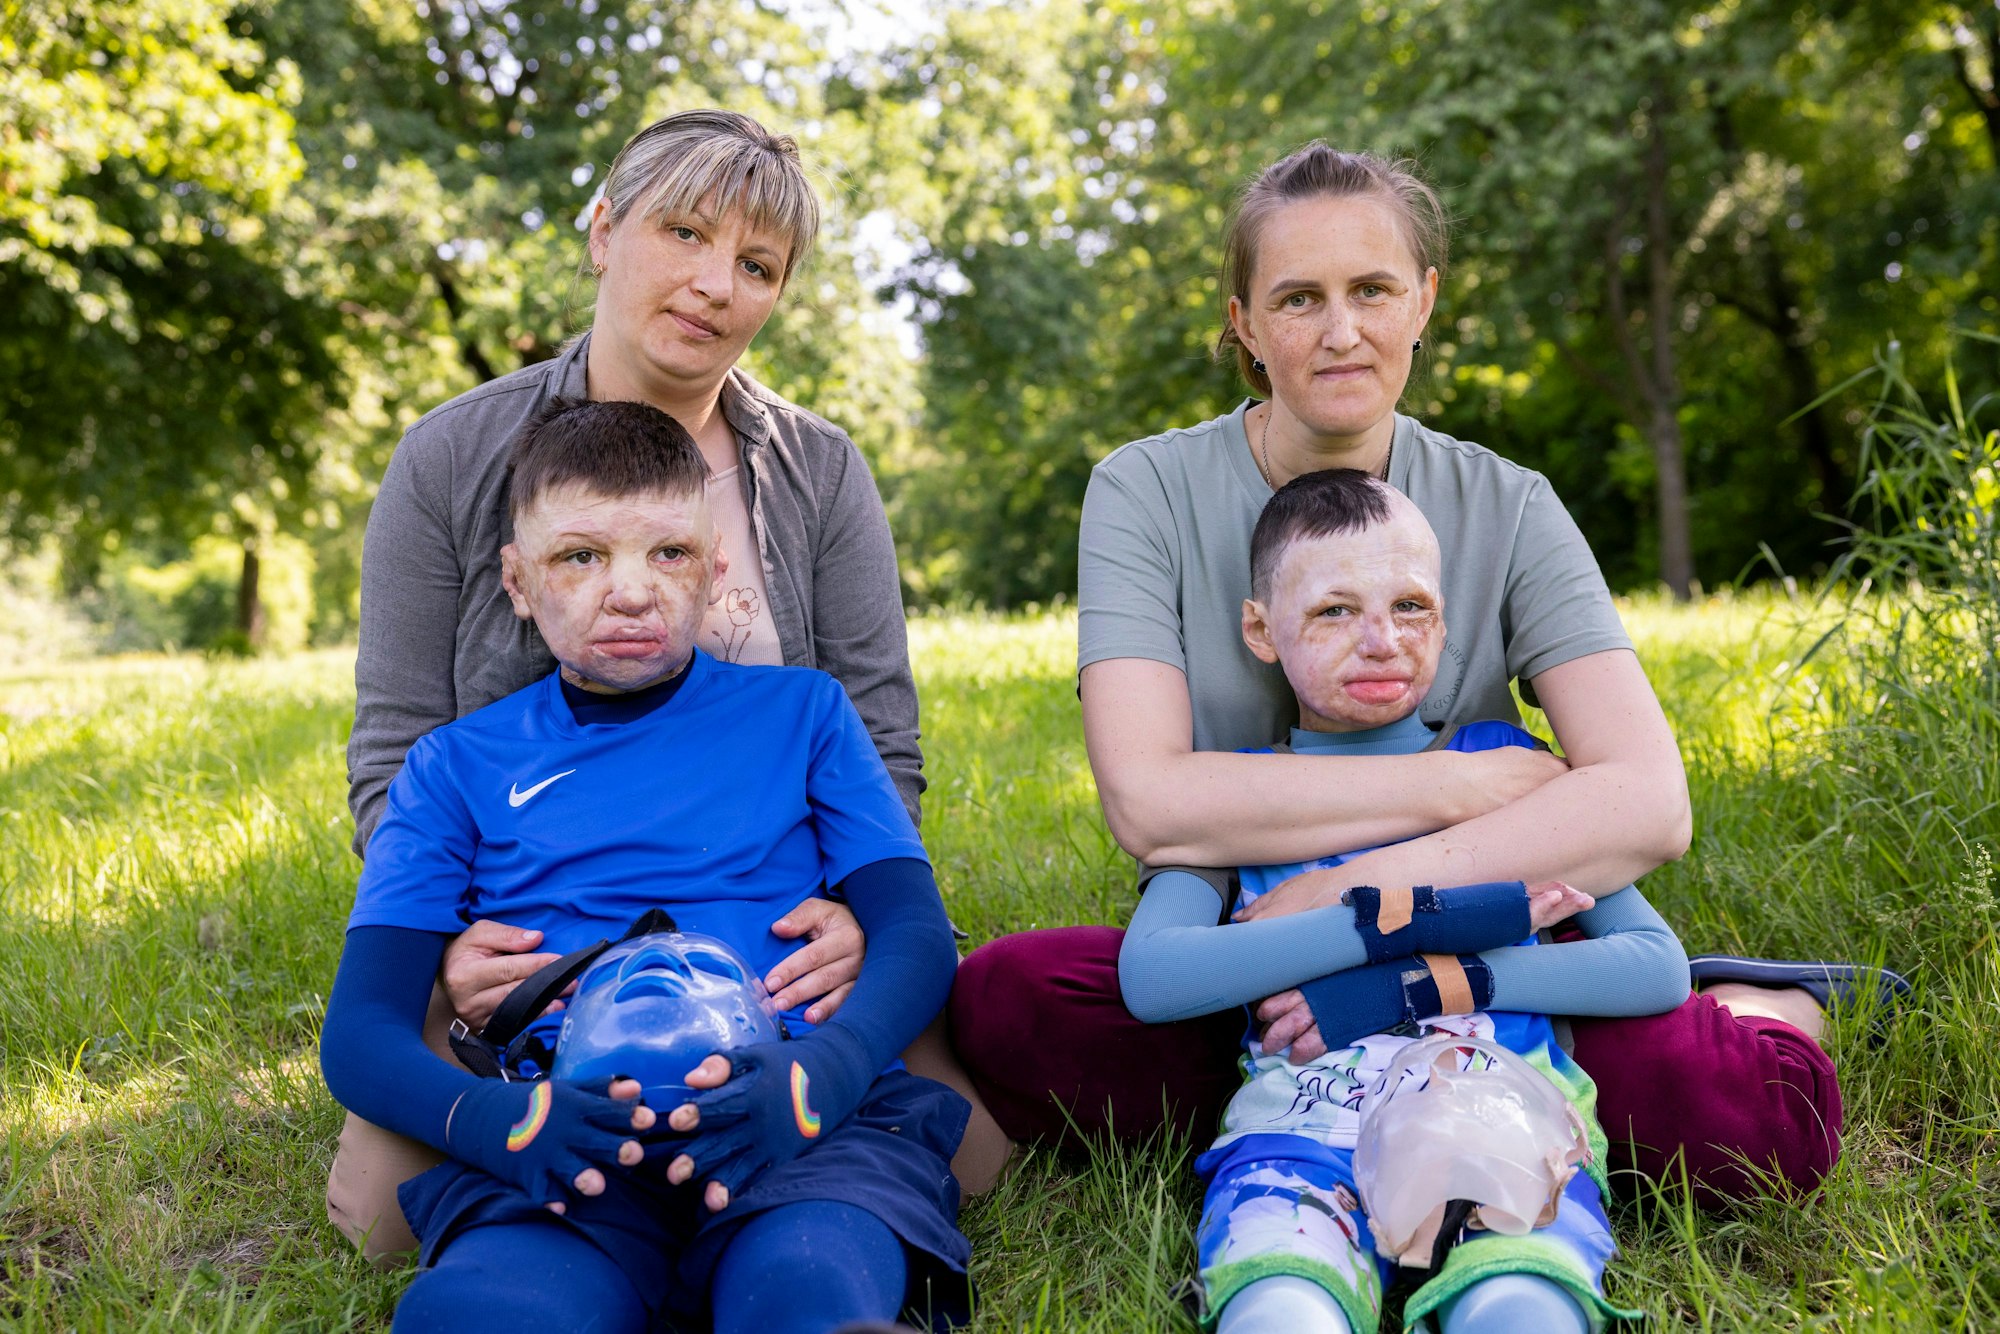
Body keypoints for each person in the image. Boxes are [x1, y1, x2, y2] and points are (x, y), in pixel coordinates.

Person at [951, 143, 1869, 1205]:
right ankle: (1309, 1112)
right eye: (1297, 298)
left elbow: (1648, 802)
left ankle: (1770, 1003)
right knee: (1013, 999)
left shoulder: (1507, 502)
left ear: (1422, 299)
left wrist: (1361, 892)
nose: (1341, 331)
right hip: (1258, 953)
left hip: (1478, 969)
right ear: (1243, 322)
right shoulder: (1144, 489)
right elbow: (1150, 805)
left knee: (1740, 1121)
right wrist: (1450, 782)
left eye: (1373, 290)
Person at [331, 108, 1007, 1258]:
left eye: (754, 265)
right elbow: (395, 753)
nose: (712, 285)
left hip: (771, 926)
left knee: (972, 1153)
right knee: (383, 1215)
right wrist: (447, 944)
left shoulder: (818, 470)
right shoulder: (450, 456)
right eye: (683, 233)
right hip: (539, 930)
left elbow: (880, 736)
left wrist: (855, 908)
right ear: (602, 229)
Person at [319, 397, 969, 1334]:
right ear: (515, 579)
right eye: (580, 557)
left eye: (668, 554)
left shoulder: (806, 715)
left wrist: (822, 1077)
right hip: (560, 1135)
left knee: (810, 1283)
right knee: (488, 1309)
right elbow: (362, 1031)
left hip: (794, 1126)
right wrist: (507, 1128)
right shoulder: (452, 767)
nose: (629, 591)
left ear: (714, 572)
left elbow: (913, 931)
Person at [1119, 468, 1686, 1332]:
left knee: (1521, 1308)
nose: (1381, 640)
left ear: (1447, 619)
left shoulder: (1509, 769)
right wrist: (1389, 923)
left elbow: (1654, 968)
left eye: (1411, 607)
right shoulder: (1238, 794)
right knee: (1280, 1312)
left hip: (1499, 1111)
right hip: (1302, 1125)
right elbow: (1157, 976)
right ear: (1260, 629)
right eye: (1335, 611)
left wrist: (1410, 987)